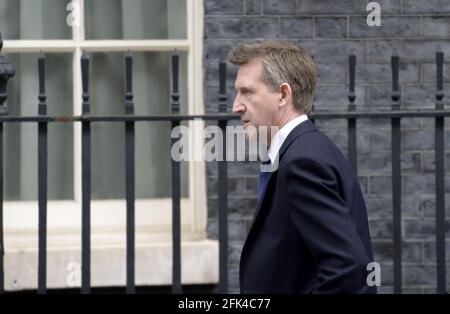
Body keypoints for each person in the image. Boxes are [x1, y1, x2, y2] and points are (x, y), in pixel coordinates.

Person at [228, 41, 377, 294]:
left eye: (247, 92)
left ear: (283, 95)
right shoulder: (301, 151)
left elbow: (348, 268)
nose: (236, 106)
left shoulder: (302, 162)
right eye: (237, 92)